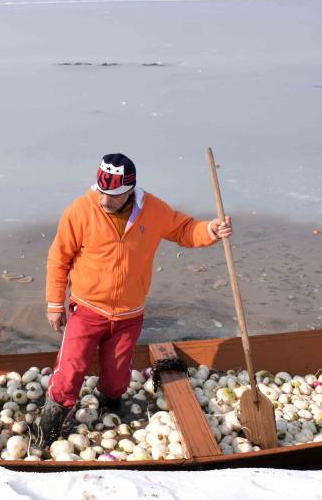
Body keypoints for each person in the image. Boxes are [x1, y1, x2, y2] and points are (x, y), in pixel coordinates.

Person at [37, 153, 231, 445]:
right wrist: (55, 304)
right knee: (70, 370)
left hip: (129, 315)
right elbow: (58, 258)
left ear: (130, 190)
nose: (104, 200)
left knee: (117, 380)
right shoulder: (79, 211)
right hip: (87, 309)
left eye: (113, 195)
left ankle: (109, 404)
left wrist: (210, 231)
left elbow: (184, 230)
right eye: (101, 191)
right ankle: (48, 426)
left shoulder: (152, 210)